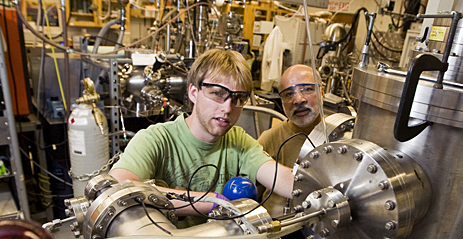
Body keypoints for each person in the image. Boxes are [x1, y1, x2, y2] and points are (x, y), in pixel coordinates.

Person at [109, 49, 295, 226]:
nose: (228, 108)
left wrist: (318, 183)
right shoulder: (156, 139)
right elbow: (118, 188)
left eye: (238, 98)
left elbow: (282, 179)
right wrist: (211, 202)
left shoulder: (238, 141)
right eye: (217, 93)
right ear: (193, 92)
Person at [257, 64, 324, 217]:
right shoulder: (269, 139)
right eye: (288, 94)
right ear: (281, 102)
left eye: (307, 89)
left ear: (322, 92)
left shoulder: (340, 138)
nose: (298, 100)